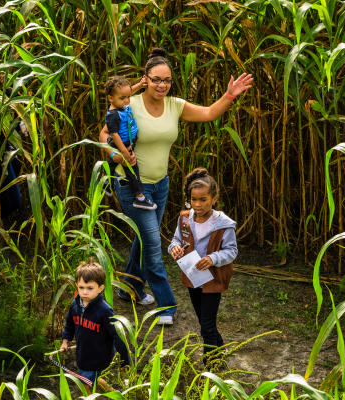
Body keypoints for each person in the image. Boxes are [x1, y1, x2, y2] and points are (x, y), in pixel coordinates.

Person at [99, 48, 252, 326]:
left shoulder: (174, 105)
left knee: (144, 239)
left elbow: (208, 113)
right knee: (153, 244)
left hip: (160, 185)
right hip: (133, 185)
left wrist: (229, 95)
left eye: (167, 80)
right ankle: (167, 305)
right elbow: (104, 134)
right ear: (145, 78)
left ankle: (129, 287)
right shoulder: (128, 102)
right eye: (156, 79)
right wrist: (114, 154)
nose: (162, 85)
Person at [168, 168, 238, 364]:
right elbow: (175, 240)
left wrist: (213, 258)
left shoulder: (224, 224)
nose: (197, 205)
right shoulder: (184, 218)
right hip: (193, 276)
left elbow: (231, 251)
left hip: (213, 279)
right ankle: (220, 346)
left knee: (206, 325)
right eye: (193, 200)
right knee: (204, 320)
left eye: (203, 200)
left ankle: (210, 366)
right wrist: (174, 249)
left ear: (214, 199)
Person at [58, 260, 130, 392]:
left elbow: (117, 335)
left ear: (100, 288)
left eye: (90, 288)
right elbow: (69, 324)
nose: (85, 292)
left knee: (85, 385)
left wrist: (125, 360)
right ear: (76, 286)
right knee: (92, 379)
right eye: (81, 287)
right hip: (83, 354)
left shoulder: (104, 310)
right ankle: (114, 394)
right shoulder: (75, 305)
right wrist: (65, 341)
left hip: (99, 355)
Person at [104, 76, 156, 210]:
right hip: (123, 144)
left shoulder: (122, 104)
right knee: (132, 168)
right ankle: (139, 197)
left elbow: (128, 91)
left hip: (126, 142)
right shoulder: (113, 115)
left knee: (111, 163)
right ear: (111, 98)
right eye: (123, 98)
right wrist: (124, 152)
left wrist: (139, 85)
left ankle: (105, 182)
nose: (127, 101)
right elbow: (114, 134)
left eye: (128, 97)